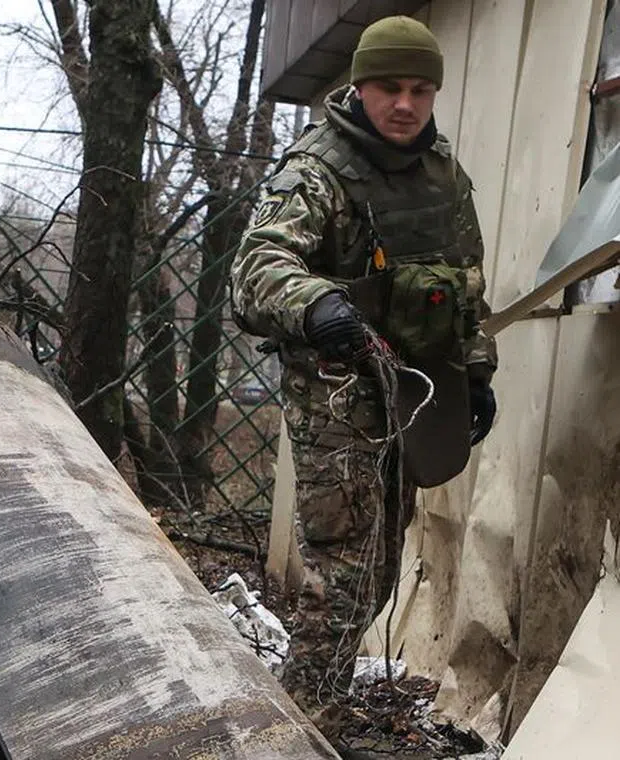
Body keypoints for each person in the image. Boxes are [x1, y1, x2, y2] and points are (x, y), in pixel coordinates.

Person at [229, 15, 498, 742]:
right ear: (359, 84)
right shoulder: (317, 169)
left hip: (413, 393)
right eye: (388, 87)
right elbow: (255, 269)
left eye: (420, 89)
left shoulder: (443, 173)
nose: (404, 104)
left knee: (377, 567)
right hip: (338, 396)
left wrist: (476, 370)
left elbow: (466, 281)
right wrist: (315, 302)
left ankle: (315, 705)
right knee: (343, 574)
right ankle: (295, 724)